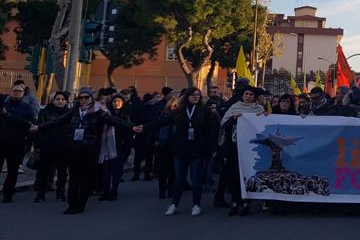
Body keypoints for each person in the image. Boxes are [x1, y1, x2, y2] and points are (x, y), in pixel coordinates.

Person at [32, 87, 135, 214]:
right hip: (74, 148)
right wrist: (39, 127)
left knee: (85, 178)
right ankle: (72, 204)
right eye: (81, 98)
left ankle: (81, 204)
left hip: (90, 149)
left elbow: (115, 121)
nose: (84, 100)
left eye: (87, 97)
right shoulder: (74, 111)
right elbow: (59, 121)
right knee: (74, 177)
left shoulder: (99, 112)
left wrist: (133, 127)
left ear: (92, 98)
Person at [142, 87, 219, 217]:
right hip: (181, 149)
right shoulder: (179, 110)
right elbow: (163, 121)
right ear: (187, 96)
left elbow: (212, 130)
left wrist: (212, 148)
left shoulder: (205, 111)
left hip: (197, 149)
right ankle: (174, 204)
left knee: (196, 179)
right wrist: (144, 127)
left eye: (197, 95)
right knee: (179, 179)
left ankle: (196, 205)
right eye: (193, 95)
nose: (195, 97)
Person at [219, 86, 264, 217]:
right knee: (234, 176)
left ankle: (245, 204)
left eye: (251, 94)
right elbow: (224, 125)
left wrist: (265, 116)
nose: (248, 96)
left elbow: (262, 126)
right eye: (246, 94)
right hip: (234, 148)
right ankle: (235, 203)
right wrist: (233, 119)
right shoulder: (235, 108)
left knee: (248, 175)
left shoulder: (259, 109)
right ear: (243, 95)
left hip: (250, 148)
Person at [1, 83, 36, 203]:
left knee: (13, 171)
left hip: (17, 143)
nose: (16, 92)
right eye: (14, 90)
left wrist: (29, 144)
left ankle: (8, 193)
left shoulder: (27, 108)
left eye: (19, 91)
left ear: (23, 93)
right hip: (1, 142)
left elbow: (29, 125)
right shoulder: (3, 105)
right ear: (10, 91)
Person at [34, 92, 71, 203]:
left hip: (64, 147)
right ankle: (41, 194)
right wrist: (40, 143)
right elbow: (39, 128)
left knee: (62, 172)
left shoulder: (70, 113)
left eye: (62, 99)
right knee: (44, 171)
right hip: (47, 146)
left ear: (66, 101)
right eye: (57, 99)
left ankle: (60, 193)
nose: (60, 101)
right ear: (53, 100)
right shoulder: (45, 112)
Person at [100, 94, 134, 201]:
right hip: (106, 145)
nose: (116, 103)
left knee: (116, 171)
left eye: (119, 101)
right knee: (105, 170)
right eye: (114, 101)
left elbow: (129, 131)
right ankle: (105, 191)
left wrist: (126, 146)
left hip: (120, 146)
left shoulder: (126, 116)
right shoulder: (106, 114)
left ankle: (114, 191)